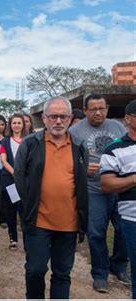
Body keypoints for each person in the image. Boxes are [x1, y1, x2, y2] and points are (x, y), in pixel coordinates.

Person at [14, 96, 89, 299]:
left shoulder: (79, 146)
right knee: (35, 270)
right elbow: (19, 176)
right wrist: (29, 205)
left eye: (63, 116)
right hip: (38, 221)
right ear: (44, 118)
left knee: (62, 273)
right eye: (53, 116)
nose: (58, 121)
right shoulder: (30, 144)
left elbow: (82, 184)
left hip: (69, 223)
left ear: (70, 118)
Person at [69, 93, 129, 292]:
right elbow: (68, 161)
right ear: (85, 110)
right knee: (95, 233)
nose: (98, 112)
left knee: (123, 229)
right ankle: (100, 273)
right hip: (93, 190)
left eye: (101, 108)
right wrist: (82, 169)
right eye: (93, 109)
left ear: (107, 108)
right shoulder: (75, 131)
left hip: (119, 188)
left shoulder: (118, 127)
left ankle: (119, 265)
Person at [100, 99, 136, 299]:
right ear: (129, 119)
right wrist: (134, 178)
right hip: (133, 218)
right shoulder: (115, 148)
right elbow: (107, 184)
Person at [0, 113, 25, 251]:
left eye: (19, 123)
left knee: (25, 212)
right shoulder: (4, 142)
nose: (16, 125)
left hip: (26, 183)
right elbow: (3, 160)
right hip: (10, 182)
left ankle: (28, 241)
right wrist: (15, 173)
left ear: (23, 125)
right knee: (11, 211)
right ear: (10, 125)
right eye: (14, 123)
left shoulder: (29, 140)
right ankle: (13, 239)